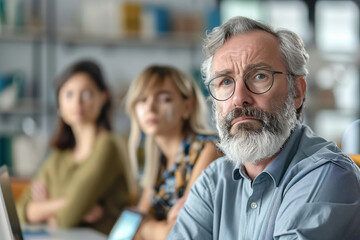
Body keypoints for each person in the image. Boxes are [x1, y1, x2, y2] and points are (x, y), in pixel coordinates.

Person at [168, 16, 360, 239]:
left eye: (259, 76)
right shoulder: (214, 181)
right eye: (226, 82)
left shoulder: (328, 174)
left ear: (296, 91)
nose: (239, 99)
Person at [16, 60, 131, 235]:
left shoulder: (108, 145)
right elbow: (20, 211)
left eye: (86, 94)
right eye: (68, 94)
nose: (77, 102)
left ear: (104, 97)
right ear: (59, 103)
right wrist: (65, 205)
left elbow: (67, 219)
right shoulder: (60, 155)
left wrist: (44, 209)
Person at [125, 65, 221, 240]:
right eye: (142, 100)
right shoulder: (157, 160)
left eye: (164, 99)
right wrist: (152, 226)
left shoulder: (208, 150)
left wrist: (145, 226)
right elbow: (131, 230)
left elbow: (179, 233)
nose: (150, 108)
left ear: (187, 106)